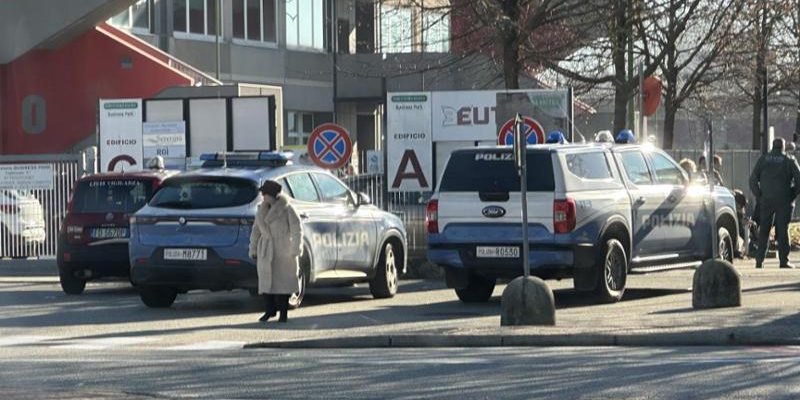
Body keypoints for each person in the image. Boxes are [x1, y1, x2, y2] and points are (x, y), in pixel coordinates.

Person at [249, 180, 304, 323]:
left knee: (283, 282)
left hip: (283, 249)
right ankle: (270, 310)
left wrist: (296, 248)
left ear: (271, 195)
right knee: (266, 281)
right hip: (266, 249)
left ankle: (283, 313)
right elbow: (256, 230)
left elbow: (296, 229)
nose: (262, 196)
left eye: (264, 193)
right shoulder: (261, 209)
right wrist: (253, 248)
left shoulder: (287, 209)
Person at [749, 138, 800, 269]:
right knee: (783, 229)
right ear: (783, 147)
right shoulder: (789, 160)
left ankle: (759, 260)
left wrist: (760, 195)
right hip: (784, 200)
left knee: (764, 230)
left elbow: (753, 179)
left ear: (772, 146)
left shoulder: (763, 159)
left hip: (766, 199)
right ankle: (784, 260)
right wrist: (792, 195)